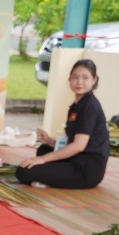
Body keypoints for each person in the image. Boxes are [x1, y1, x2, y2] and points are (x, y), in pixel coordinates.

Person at [14, 59, 109, 190]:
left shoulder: (89, 106)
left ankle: (49, 179)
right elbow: (72, 142)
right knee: (43, 149)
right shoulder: (77, 106)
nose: (79, 82)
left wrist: (43, 160)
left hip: (86, 169)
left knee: (23, 171)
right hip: (76, 159)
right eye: (75, 77)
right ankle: (50, 178)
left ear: (94, 79)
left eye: (85, 78)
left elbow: (78, 146)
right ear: (70, 79)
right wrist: (49, 141)